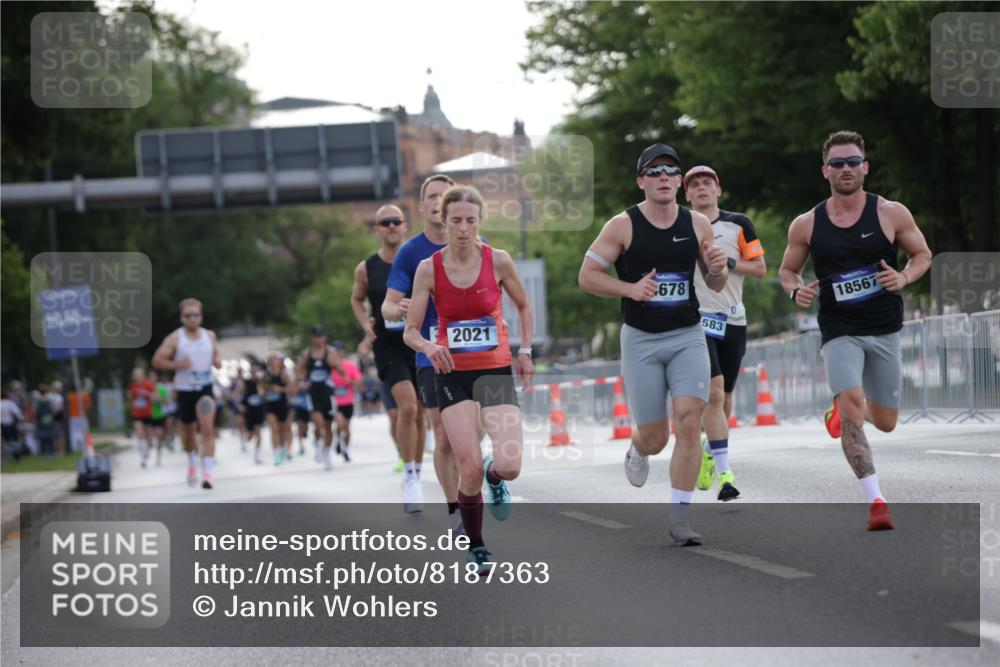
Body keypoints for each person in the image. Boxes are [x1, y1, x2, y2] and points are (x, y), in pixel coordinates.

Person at [779, 130, 931, 531]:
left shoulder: (891, 213)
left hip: (883, 328)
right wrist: (796, 290)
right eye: (837, 163)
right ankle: (876, 500)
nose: (845, 169)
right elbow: (787, 269)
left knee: (886, 421)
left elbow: (922, 254)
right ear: (824, 171)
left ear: (865, 167)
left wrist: (904, 277)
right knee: (851, 407)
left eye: (852, 162)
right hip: (839, 328)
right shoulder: (807, 223)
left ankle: (845, 410)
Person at [578, 143, 729, 546]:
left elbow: (714, 282)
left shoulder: (697, 224)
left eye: (670, 171)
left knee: (689, 420)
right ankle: (638, 448)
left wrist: (717, 272)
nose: (663, 177)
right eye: (654, 171)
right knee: (655, 436)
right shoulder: (622, 226)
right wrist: (630, 288)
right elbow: (587, 276)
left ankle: (681, 518)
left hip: (687, 335)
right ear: (641, 181)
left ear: (679, 182)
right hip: (641, 340)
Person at [403, 184, 535, 574]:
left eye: (471, 221)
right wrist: (428, 348)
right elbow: (411, 330)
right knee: (469, 466)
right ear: (443, 221)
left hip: (494, 370)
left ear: (480, 222)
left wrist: (525, 352)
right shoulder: (430, 268)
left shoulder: (499, 261)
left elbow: (525, 306)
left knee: (509, 465)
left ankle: (498, 478)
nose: (463, 228)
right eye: (456, 220)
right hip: (452, 375)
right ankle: (477, 545)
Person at [683, 165, 766, 501]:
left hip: (733, 319)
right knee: (714, 394)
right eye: (695, 185)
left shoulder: (738, 224)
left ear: (718, 190)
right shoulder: (680, 225)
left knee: (725, 397)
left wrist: (729, 264)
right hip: (697, 320)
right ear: (686, 194)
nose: (702, 189)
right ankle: (726, 473)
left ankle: (710, 448)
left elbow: (760, 269)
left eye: (707, 183)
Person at [383, 177, 463, 520]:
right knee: (444, 434)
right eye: (431, 197)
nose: (437, 202)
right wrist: (398, 309)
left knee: (472, 434)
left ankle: (483, 476)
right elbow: (388, 306)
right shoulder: (411, 252)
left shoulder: (476, 243)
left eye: (444, 196)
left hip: (474, 352)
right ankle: (457, 510)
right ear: (422, 207)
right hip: (429, 353)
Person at [352, 204, 424, 501]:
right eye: (386, 222)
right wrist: (364, 324)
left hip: (419, 341)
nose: (392, 226)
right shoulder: (366, 267)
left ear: (405, 226)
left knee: (420, 413)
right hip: (388, 345)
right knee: (406, 408)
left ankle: (416, 474)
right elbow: (357, 300)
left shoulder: (420, 261)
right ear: (377, 229)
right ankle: (409, 476)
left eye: (397, 221)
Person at [153, 297, 223, 489]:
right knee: (189, 434)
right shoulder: (175, 338)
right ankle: (192, 462)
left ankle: (207, 473)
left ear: (201, 317)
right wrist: (176, 364)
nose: (192, 319)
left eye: (196, 315)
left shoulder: (209, 336)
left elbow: (215, 354)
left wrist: (217, 361)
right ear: (182, 318)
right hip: (184, 390)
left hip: (205, 388)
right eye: (188, 316)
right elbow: (157, 360)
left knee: (208, 429)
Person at [296, 325, 343, 471]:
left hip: (327, 394)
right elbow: (299, 370)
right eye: (316, 336)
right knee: (319, 424)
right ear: (312, 337)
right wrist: (302, 381)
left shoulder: (331, 352)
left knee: (329, 426)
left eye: (321, 335)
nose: (318, 338)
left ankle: (326, 453)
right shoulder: (307, 353)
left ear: (325, 337)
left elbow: (340, 370)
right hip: (313, 394)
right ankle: (318, 443)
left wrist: (335, 365)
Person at [330, 342, 362, 463]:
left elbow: (359, 382)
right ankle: (338, 440)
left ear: (342, 351)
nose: (337, 353)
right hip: (335, 401)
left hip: (348, 400)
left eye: (339, 350)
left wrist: (350, 381)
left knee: (347, 428)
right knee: (340, 424)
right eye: (335, 351)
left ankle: (345, 449)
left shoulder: (350, 365)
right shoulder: (330, 367)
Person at [263, 352, 296, 465]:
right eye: (272, 360)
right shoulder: (265, 375)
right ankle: (276, 453)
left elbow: (293, 390)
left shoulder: (284, 374)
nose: (274, 362)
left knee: (285, 429)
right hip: (270, 406)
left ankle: (286, 448)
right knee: (274, 428)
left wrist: (280, 389)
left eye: (277, 360)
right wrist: (264, 390)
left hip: (283, 405)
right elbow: (260, 391)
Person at [128, 367, 157, 468]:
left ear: (143, 375)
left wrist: (147, 394)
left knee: (148, 436)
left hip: (147, 414)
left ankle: (147, 448)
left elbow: (155, 397)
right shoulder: (132, 386)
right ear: (134, 376)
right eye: (136, 374)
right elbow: (130, 397)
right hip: (137, 414)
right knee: (140, 435)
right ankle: (142, 457)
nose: (138, 376)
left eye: (139, 374)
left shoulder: (148, 385)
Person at [240, 368, 266, 465]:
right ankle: (245, 440)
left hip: (259, 411)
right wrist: (239, 405)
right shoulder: (246, 383)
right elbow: (237, 394)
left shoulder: (261, 383)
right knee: (250, 434)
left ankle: (257, 455)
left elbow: (262, 394)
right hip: (249, 411)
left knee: (258, 431)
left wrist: (259, 384)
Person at [148, 370, 169, 466]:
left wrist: (159, 399)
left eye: (154, 376)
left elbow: (167, 402)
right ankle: (148, 453)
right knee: (151, 437)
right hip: (148, 415)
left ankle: (158, 457)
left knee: (159, 437)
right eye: (150, 376)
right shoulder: (146, 387)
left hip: (159, 415)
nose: (152, 378)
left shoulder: (161, 388)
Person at [66, 385, 92, 453]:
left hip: (73, 417)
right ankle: (86, 447)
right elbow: (88, 406)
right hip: (83, 416)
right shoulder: (84, 395)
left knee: (73, 433)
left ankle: (74, 447)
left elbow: (66, 407)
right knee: (85, 432)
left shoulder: (69, 396)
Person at [1, 388, 25, 459]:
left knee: (6, 441)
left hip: (2, 425)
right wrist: (21, 421)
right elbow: (18, 414)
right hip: (10, 424)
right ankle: (17, 455)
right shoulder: (9, 403)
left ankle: (7, 456)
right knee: (14, 440)